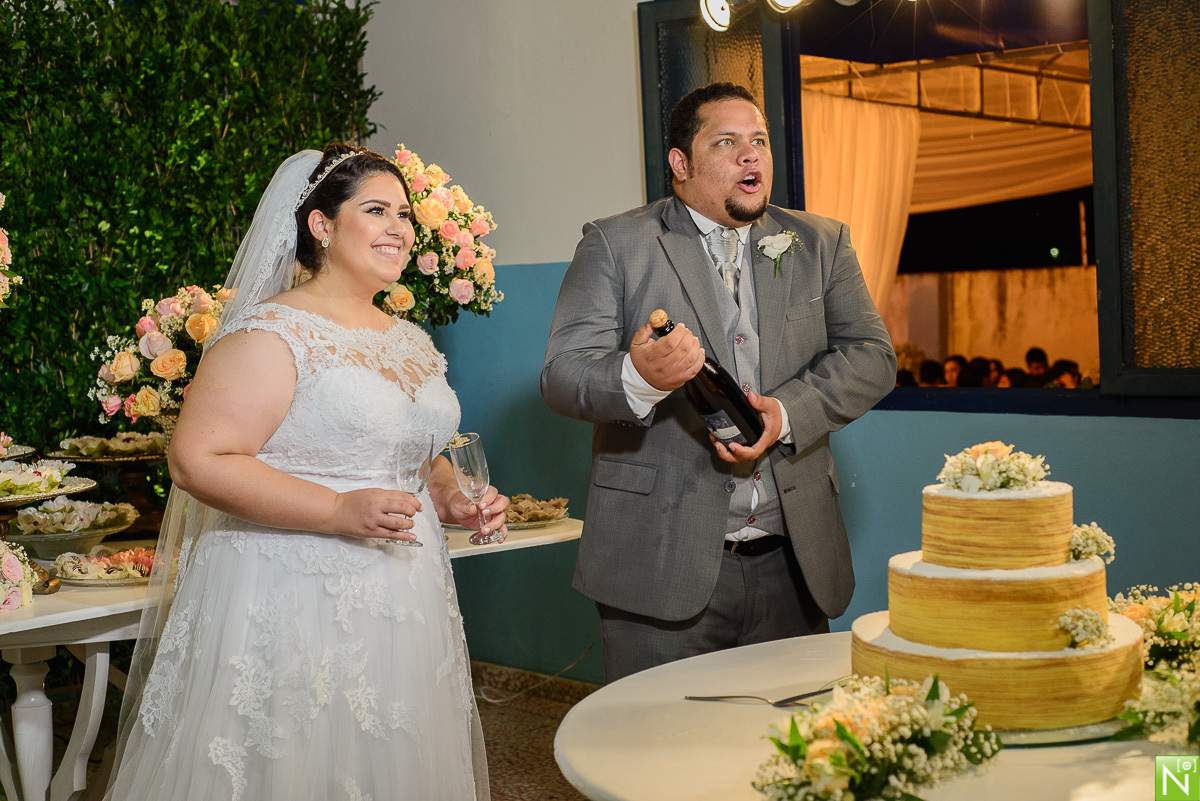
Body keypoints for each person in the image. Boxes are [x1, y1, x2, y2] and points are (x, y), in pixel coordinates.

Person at [104, 144, 508, 801]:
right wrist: (334, 510)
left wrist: (451, 495)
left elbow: (411, 447)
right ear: (321, 225)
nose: (399, 228)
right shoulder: (270, 333)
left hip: (406, 593)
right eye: (376, 210)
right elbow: (196, 458)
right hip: (294, 591)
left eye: (404, 213)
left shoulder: (408, 339)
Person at [541, 82, 896, 681]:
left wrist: (784, 414)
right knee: (657, 758)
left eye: (758, 140)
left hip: (794, 562)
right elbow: (563, 374)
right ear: (681, 164)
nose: (751, 155)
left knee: (792, 759)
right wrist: (638, 377)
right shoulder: (616, 242)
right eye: (727, 142)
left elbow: (873, 356)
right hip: (659, 562)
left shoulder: (820, 243)